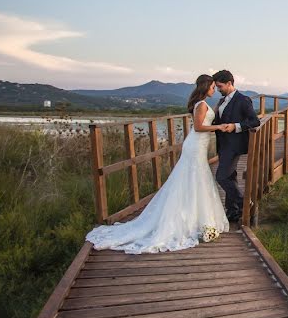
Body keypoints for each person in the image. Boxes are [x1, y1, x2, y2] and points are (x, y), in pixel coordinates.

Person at [85, 74, 231, 253]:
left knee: (196, 179)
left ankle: (196, 219)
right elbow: (199, 127)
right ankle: (189, 221)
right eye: (212, 87)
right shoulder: (201, 105)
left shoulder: (202, 104)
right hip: (195, 145)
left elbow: (206, 121)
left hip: (198, 145)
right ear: (205, 87)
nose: (214, 89)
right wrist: (218, 127)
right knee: (193, 177)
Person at [212, 69, 261, 224]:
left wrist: (236, 126)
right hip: (223, 144)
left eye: (220, 86)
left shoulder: (243, 100)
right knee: (230, 176)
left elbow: (254, 121)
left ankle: (245, 204)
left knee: (221, 176)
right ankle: (233, 212)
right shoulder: (221, 101)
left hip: (234, 145)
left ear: (229, 83)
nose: (218, 90)